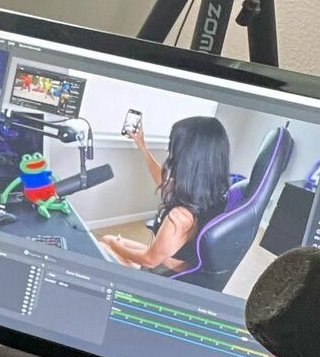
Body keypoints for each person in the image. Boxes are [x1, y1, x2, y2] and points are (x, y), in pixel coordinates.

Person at [99, 115, 230, 271]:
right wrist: (142, 145)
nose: (168, 150)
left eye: (173, 146)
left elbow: (149, 260)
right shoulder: (207, 193)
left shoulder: (180, 217)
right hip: (167, 258)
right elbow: (162, 179)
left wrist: (116, 246)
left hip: (162, 272)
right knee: (106, 239)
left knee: (102, 246)